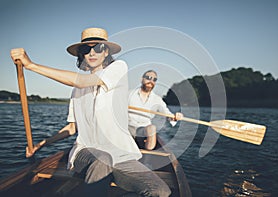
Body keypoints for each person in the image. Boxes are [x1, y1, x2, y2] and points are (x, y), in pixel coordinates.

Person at [11, 27, 171, 197]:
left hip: (120, 153)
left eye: (98, 48)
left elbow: (82, 81)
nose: (92, 53)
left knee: (160, 191)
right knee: (103, 160)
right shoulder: (76, 91)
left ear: (106, 52)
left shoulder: (118, 68)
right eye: (86, 49)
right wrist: (41, 144)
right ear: (81, 54)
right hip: (85, 152)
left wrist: (31, 66)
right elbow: (72, 128)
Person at [128, 70, 183, 150]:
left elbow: (168, 114)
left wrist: (175, 117)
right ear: (141, 79)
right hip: (128, 127)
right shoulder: (129, 94)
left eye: (154, 79)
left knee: (152, 128)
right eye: (148, 78)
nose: (151, 81)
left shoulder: (157, 99)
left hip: (143, 130)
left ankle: (147, 157)